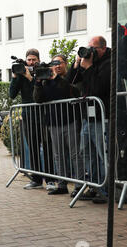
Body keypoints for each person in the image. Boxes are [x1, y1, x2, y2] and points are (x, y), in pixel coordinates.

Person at [67, 36, 111, 204]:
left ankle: (105, 189)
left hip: (102, 117)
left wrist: (90, 67)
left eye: (92, 48)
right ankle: (93, 186)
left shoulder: (109, 63)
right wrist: (77, 64)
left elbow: (99, 88)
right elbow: (70, 81)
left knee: (102, 155)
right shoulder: (88, 63)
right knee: (88, 154)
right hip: (87, 117)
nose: (89, 51)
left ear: (102, 49)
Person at [33, 56, 84, 195]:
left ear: (65, 64)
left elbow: (67, 90)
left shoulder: (68, 77)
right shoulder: (45, 82)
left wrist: (55, 78)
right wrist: (38, 83)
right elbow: (38, 99)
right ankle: (62, 185)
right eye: (54, 64)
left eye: (59, 63)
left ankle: (79, 186)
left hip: (70, 121)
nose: (56, 66)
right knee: (58, 155)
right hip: (53, 123)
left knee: (75, 154)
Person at [9, 49, 56, 191]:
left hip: (43, 115)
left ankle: (50, 180)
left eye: (34, 59)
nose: (31, 62)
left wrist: (30, 78)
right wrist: (16, 77)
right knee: (33, 147)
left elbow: (41, 94)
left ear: (38, 60)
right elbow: (12, 94)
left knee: (47, 148)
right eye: (29, 59)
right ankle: (36, 179)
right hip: (28, 116)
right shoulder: (21, 75)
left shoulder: (43, 72)